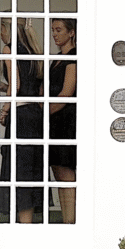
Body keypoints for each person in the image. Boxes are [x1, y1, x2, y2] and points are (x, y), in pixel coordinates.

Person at [0, 18, 44, 224]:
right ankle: (27, 224)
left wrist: (4, 110)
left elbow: (15, 85)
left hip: (21, 116)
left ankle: (21, 228)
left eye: (1, 28)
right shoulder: (34, 50)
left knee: (18, 170)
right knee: (31, 171)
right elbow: (34, 85)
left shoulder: (9, 49)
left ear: (8, 29)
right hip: (35, 114)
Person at [49, 18, 77, 224]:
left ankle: (71, 221)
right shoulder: (57, 58)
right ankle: (66, 220)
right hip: (54, 120)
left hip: (67, 120)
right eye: (53, 30)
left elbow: (66, 93)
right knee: (58, 171)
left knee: (66, 173)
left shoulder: (73, 57)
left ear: (71, 33)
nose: (54, 34)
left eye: (59, 30)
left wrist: (42, 111)